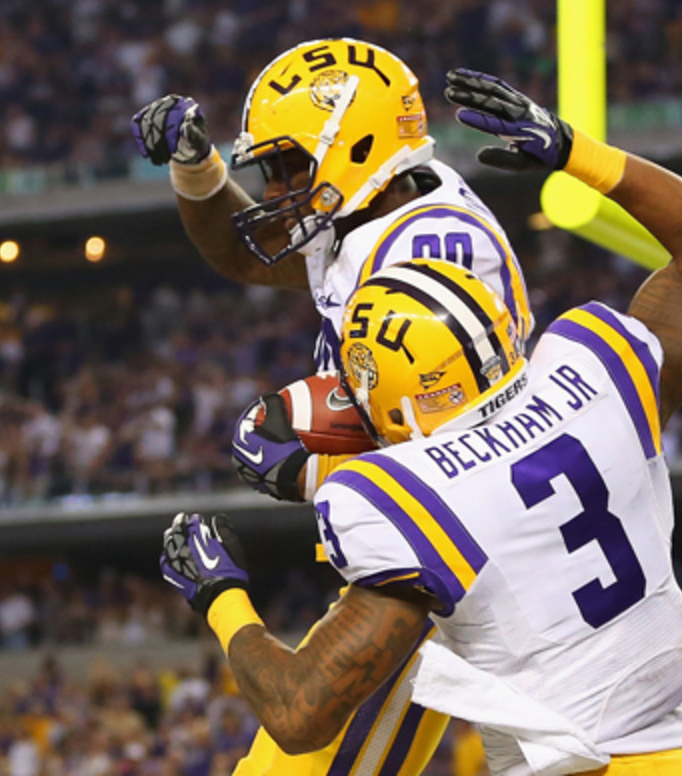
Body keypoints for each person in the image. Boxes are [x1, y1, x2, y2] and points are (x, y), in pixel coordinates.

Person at [159, 68, 682, 774]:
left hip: (475, 603)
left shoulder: (417, 499)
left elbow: (298, 711)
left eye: (290, 165)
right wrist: (574, 152)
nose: (278, 191)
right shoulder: (593, 372)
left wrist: (230, 579)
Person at [134, 39, 533, 776]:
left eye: (291, 163)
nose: (280, 184)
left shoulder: (429, 261)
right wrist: (198, 169)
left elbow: (464, 479)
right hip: (429, 547)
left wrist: (313, 478)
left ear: (357, 143)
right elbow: (255, 250)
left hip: (441, 566)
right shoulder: (381, 204)